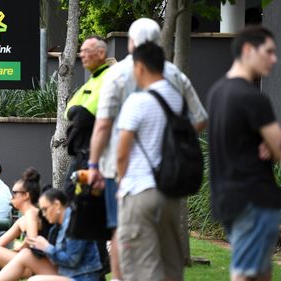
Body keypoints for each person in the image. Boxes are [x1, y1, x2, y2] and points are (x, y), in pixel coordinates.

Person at [87, 20, 207, 281]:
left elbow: (104, 125)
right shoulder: (175, 75)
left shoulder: (118, 75)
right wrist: (171, 143)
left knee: (121, 234)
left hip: (126, 177)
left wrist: (94, 165)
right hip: (168, 181)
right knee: (169, 257)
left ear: (131, 43)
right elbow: (199, 119)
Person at [206, 26, 281, 281]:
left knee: (259, 273)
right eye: (269, 52)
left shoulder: (217, 92)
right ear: (248, 50)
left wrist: (268, 144)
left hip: (228, 199)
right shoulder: (252, 98)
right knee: (245, 274)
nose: (274, 59)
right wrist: (272, 144)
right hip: (254, 199)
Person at [115, 42, 185, 281]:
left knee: (141, 268)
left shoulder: (137, 102)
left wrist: (120, 181)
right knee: (170, 266)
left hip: (140, 189)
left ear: (140, 66)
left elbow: (122, 152)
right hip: (171, 193)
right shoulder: (177, 99)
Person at [63, 35, 115, 279]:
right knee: (74, 206)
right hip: (81, 156)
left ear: (101, 54)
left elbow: (86, 114)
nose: (81, 55)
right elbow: (70, 110)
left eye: (86, 51)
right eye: (80, 50)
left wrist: (80, 111)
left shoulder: (109, 78)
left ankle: (95, 268)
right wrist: (79, 111)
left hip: (97, 159)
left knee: (88, 212)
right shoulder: (91, 81)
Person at [0, 188, 102, 281]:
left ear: (57, 205)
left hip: (83, 277)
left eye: (45, 209)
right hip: (67, 272)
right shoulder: (58, 225)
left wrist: (46, 247)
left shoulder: (75, 224)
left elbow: (72, 261)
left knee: (35, 280)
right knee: (25, 254)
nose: (43, 214)